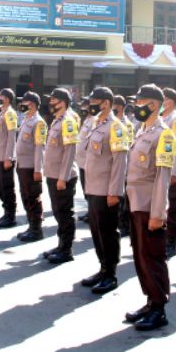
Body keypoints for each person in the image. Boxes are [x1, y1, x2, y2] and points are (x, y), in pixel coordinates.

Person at [124, 84, 175, 331]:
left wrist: (158, 213)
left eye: (141, 102)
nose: (137, 106)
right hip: (136, 203)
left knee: (152, 256)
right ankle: (149, 300)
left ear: (154, 104)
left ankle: (159, 308)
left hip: (149, 206)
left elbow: (162, 178)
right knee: (140, 255)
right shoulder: (142, 130)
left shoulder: (164, 135)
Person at [79, 87, 129, 294]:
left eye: (95, 101)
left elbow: (120, 162)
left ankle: (111, 274)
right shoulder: (95, 123)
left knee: (108, 233)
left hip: (107, 190)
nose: (91, 105)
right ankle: (102, 268)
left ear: (106, 103)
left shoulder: (116, 128)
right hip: (93, 187)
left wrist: (115, 192)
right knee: (96, 231)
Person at [41, 87, 80, 264]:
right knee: (58, 212)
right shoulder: (57, 120)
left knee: (64, 213)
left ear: (63, 102)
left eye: (53, 100)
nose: (50, 103)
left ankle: (67, 250)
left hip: (62, 177)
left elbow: (69, 152)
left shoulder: (69, 121)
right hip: (53, 174)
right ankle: (60, 245)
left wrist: (63, 177)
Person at [15, 92, 47, 242]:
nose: (22, 105)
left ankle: (36, 229)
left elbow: (39, 147)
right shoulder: (26, 119)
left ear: (32, 104)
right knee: (25, 196)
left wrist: (37, 170)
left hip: (30, 167)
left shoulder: (38, 122)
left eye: (25, 102)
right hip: (22, 165)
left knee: (33, 197)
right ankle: (30, 225)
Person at [160, 88, 176, 258]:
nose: (163, 102)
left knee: (172, 208)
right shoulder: (162, 117)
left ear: (172, 101)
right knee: (162, 207)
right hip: (161, 169)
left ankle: (172, 241)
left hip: (171, 171)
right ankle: (164, 238)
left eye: (165, 99)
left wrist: (173, 172)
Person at [0, 88, 18, 228]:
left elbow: (12, 137)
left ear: (6, 99)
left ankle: (11, 216)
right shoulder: (3, 113)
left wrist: (9, 157)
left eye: (0, 96)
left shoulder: (11, 114)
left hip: (5, 157)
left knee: (7, 187)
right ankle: (6, 213)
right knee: (0, 186)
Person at [113, 95, 135, 237]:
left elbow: (130, 145)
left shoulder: (127, 124)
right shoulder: (110, 122)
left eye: (114, 105)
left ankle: (125, 225)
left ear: (120, 107)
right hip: (112, 164)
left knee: (124, 197)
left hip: (124, 164)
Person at [75, 96, 94, 224]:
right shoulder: (86, 120)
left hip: (88, 163)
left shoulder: (93, 120)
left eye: (85, 105)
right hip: (81, 162)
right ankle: (90, 211)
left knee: (90, 189)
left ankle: (92, 212)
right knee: (85, 188)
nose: (83, 107)